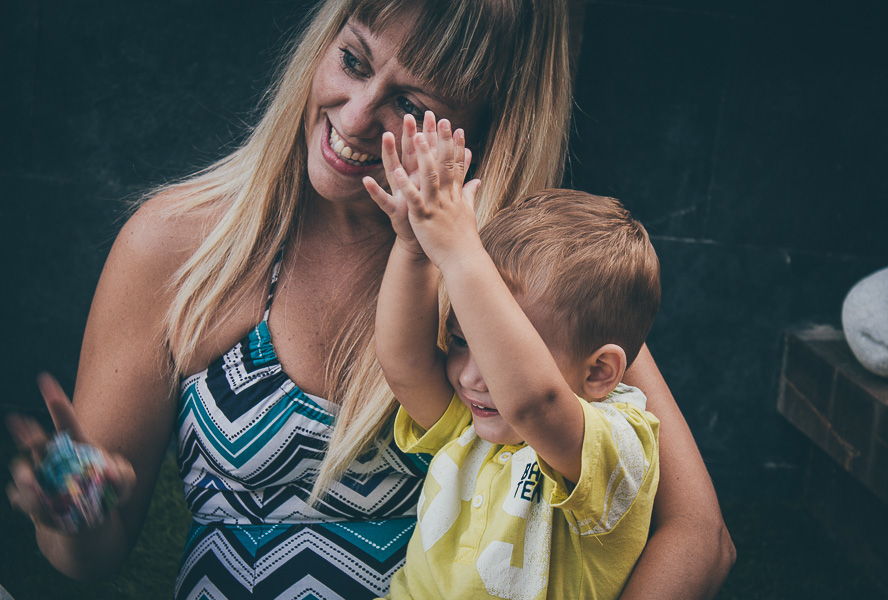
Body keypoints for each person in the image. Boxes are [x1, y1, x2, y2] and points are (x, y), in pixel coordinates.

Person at [6, 1, 735, 599]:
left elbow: (701, 538)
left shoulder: (528, 287)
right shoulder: (172, 244)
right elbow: (88, 560)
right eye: (352, 61)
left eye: (410, 105)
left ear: (482, 130)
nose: (353, 119)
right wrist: (77, 512)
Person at [367, 115, 661, 599]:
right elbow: (405, 367)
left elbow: (536, 403)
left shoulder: (621, 442)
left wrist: (462, 254)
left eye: (501, 348)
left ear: (599, 371)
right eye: (462, 341)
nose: (473, 377)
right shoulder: (474, 428)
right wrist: (413, 247)